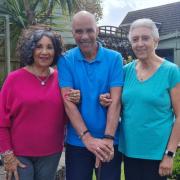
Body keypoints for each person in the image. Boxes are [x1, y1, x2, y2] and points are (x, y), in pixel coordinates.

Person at [100, 18, 180, 180]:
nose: (139, 43)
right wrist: (107, 99)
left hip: (157, 154)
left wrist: (169, 154)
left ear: (156, 41)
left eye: (145, 38)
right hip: (129, 151)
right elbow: (119, 103)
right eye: (135, 39)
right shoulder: (125, 71)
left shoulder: (171, 71)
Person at [0, 29, 80, 180]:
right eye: (39, 46)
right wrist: (7, 154)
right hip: (19, 154)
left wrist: (77, 99)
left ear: (55, 51)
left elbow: (69, 114)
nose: (44, 52)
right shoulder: (14, 79)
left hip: (51, 153)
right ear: (31, 49)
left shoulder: (62, 79)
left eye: (49, 47)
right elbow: (1, 120)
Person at [57, 10, 124, 180]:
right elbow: (68, 103)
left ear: (97, 31)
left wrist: (108, 138)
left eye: (89, 30)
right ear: (73, 33)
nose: (84, 36)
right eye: (79, 31)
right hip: (78, 141)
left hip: (110, 141)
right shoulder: (65, 60)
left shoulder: (114, 58)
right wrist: (87, 138)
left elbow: (115, 101)